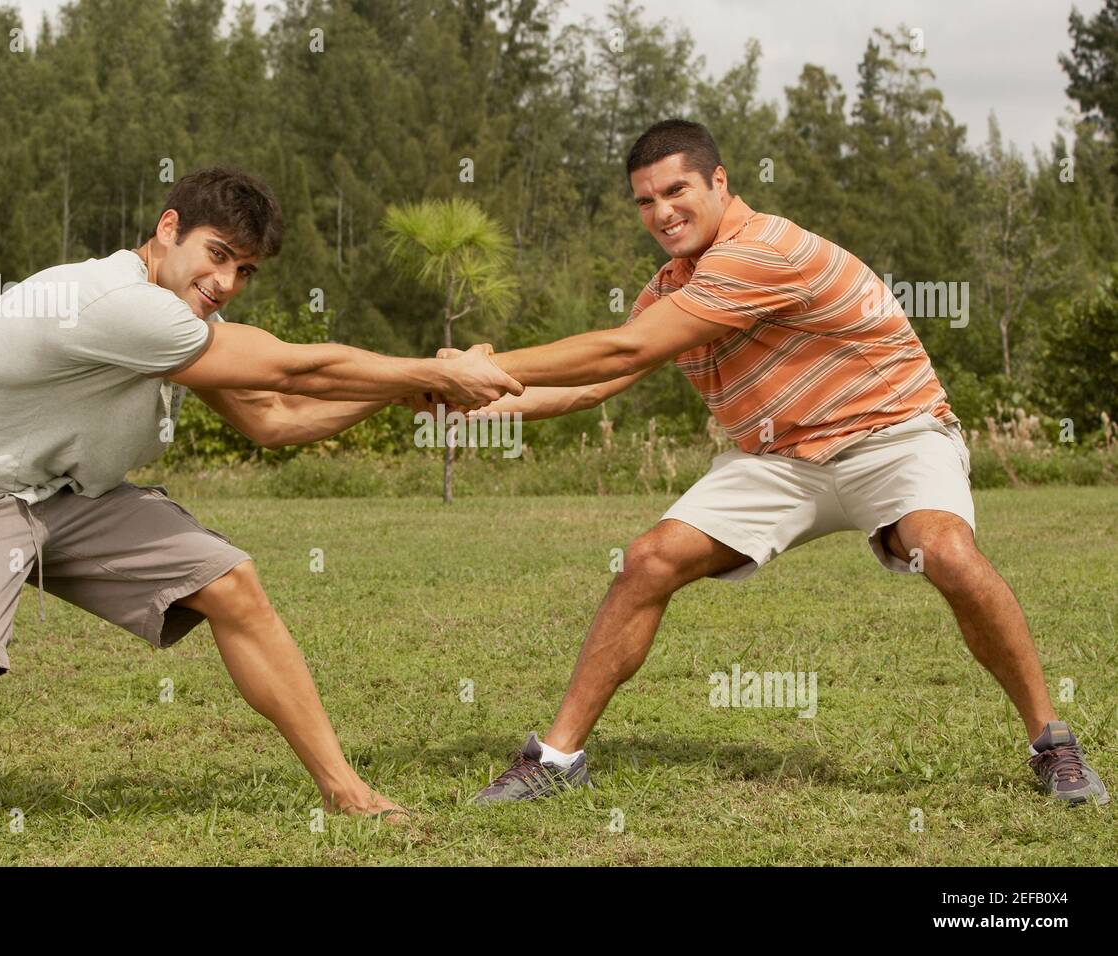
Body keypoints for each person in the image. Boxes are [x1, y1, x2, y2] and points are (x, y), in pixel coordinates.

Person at [0, 166, 522, 847]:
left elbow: (274, 418)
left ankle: (344, 790)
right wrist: (431, 372)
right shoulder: (111, 300)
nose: (228, 282)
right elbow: (291, 369)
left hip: (70, 496)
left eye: (246, 270)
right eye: (219, 255)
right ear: (167, 230)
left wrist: (402, 392)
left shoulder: (180, 317)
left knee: (233, 585)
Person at [464, 120, 1108, 807]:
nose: (661, 213)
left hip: (891, 435)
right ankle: (557, 759)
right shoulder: (668, 288)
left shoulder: (763, 250)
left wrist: (489, 365)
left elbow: (619, 353)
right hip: (778, 458)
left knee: (945, 550)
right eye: (645, 202)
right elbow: (594, 385)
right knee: (648, 559)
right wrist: (473, 405)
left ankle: (1053, 744)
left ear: (720, 182)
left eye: (676, 190)